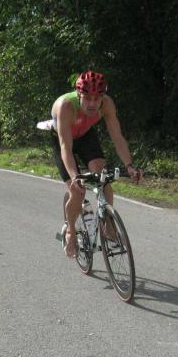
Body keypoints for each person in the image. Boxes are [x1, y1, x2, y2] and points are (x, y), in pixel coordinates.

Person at [49, 70, 143, 258]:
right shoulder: (66, 106)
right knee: (77, 191)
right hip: (63, 140)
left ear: (103, 96)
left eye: (97, 98)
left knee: (103, 179)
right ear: (78, 94)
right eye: (87, 98)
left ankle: (109, 228)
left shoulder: (107, 104)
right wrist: (75, 177)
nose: (92, 103)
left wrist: (130, 165)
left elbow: (117, 137)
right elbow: (66, 148)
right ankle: (70, 231)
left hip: (85, 136)